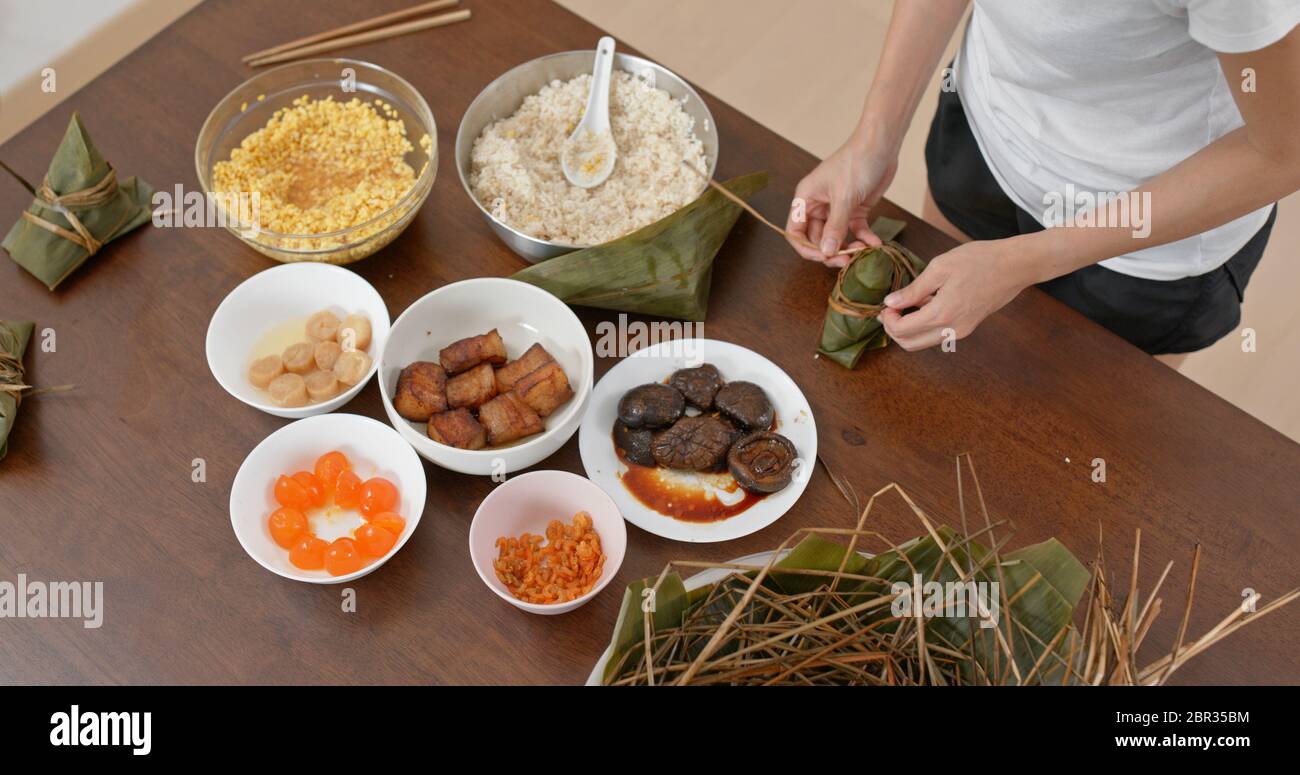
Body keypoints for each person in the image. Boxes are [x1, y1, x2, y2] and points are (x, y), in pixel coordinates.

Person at [786, 0, 1300, 367]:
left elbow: (1284, 152)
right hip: (985, 135)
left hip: (1152, 237)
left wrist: (1021, 261)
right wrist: (873, 138)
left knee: (1085, 449)